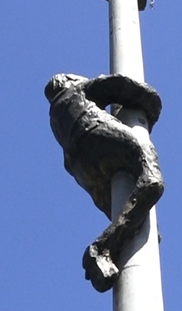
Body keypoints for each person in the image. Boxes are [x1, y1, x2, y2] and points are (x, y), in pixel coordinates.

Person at [44, 72, 165, 292]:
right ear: (70, 81)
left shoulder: (55, 119)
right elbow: (118, 86)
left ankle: (120, 238)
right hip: (96, 133)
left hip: (81, 166)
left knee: (129, 211)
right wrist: (152, 107)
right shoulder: (77, 90)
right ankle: (104, 246)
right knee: (152, 180)